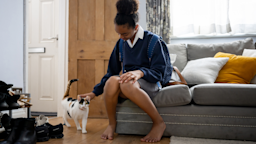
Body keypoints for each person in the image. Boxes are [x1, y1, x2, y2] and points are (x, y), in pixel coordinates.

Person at [78, 0, 171, 143]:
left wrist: (140, 72)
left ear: (136, 27)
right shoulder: (121, 43)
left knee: (127, 83)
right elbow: (111, 72)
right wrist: (94, 93)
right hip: (129, 86)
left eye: (125, 33)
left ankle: (159, 123)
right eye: (118, 33)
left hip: (151, 84)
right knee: (112, 81)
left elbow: (161, 73)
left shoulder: (153, 41)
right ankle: (111, 124)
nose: (121, 37)